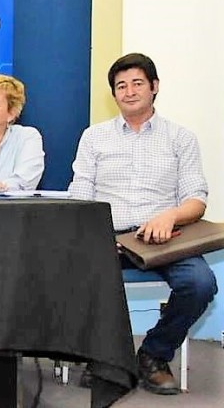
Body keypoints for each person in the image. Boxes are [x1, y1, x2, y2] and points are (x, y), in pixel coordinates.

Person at [68, 53, 216, 395]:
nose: (129, 91)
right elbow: (80, 194)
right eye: (121, 86)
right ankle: (102, 358)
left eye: (137, 83)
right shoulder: (94, 137)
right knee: (70, 272)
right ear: (113, 94)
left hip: (165, 238)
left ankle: (153, 355)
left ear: (154, 87)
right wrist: (96, 232)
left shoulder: (180, 138)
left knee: (200, 283)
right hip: (109, 236)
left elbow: (196, 199)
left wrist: (169, 216)